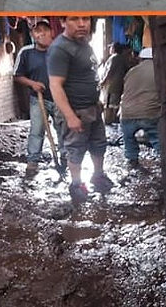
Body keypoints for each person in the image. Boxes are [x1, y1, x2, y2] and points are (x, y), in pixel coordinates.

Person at [48, 16, 114, 202]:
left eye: (85, 19)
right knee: (75, 149)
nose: (82, 23)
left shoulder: (84, 43)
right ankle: (76, 184)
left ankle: (98, 175)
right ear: (62, 22)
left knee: (99, 144)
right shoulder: (60, 49)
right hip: (76, 110)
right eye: (74, 19)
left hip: (93, 108)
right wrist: (69, 116)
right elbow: (55, 85)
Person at [14, 20, 59, 174]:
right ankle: (33, 161)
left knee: (63, 130)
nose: (41, 34)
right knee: (36, 131)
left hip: (60, 99)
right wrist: (32, 84)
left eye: (45, 30)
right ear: (32, 34)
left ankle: (65, 159)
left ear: (51, 33)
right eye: (37, 31)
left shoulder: (59, 50)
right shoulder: (26, 52)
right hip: (38, 99)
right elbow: (17, 76)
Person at [120, 47, 161, 168]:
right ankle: (164, 158)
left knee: (128, 138)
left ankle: (132, 159)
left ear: (141, 59)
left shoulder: (131, 71)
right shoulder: (160, 70)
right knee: (157, 138)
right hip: (150, 112)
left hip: (127, 113)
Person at [101, 42, 133, 123]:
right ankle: (115, 119)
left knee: (111, 103)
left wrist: (103, 81)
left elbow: (109, 71)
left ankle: (111, 119)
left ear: (114, 49)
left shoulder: (113, 58)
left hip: (112, 84)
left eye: (111, 48)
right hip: (120, 83)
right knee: (116, 101)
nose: (109, 49)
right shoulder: (123, 58)